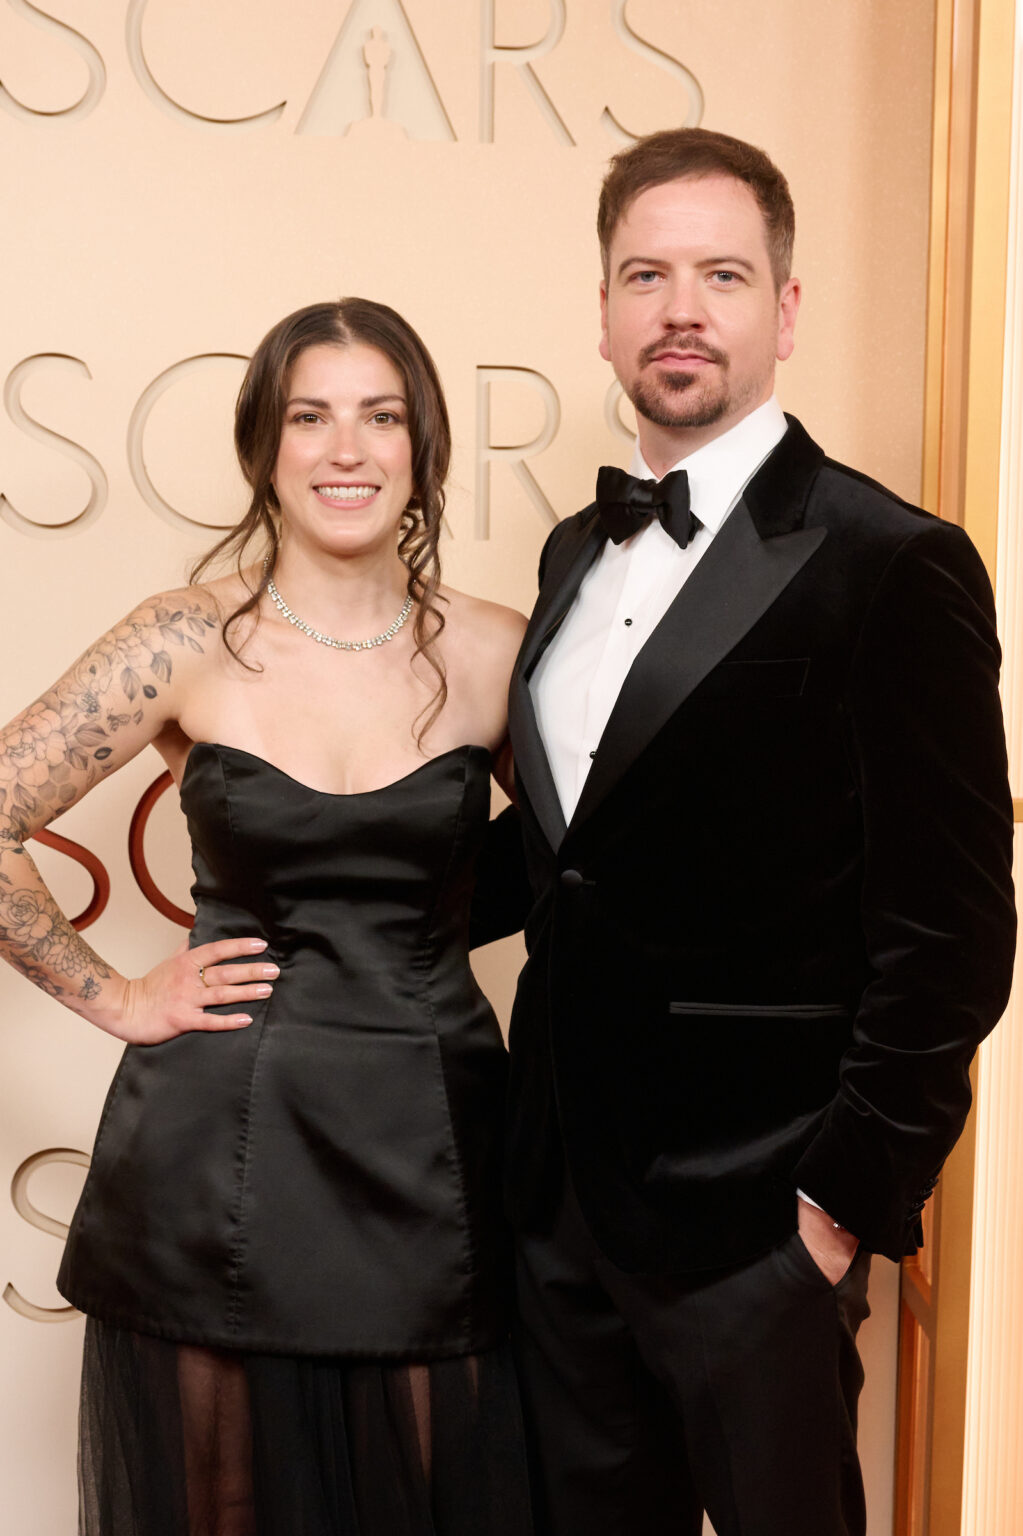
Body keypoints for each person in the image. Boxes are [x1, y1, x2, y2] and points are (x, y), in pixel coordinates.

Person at [503, 128, 1016, 1536]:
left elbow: (953, 935)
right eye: (645, 273)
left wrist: (833, 1213)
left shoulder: (889, 561)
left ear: (782, 308)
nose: (680, 307)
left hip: (757, 1216)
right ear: (602, 309)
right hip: (558, 1201)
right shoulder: (569, 554)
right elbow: (571, 851)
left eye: (720, 274)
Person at [0, 298, 533, 1535]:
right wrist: (119, 996)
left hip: (435, 1163)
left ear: (422, 446)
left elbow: (605, 869)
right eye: (310, 416)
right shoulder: (184, 638)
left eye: (380, 415)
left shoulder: (498, 653)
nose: (346, 449)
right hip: (214, 1158)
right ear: (264, 447)